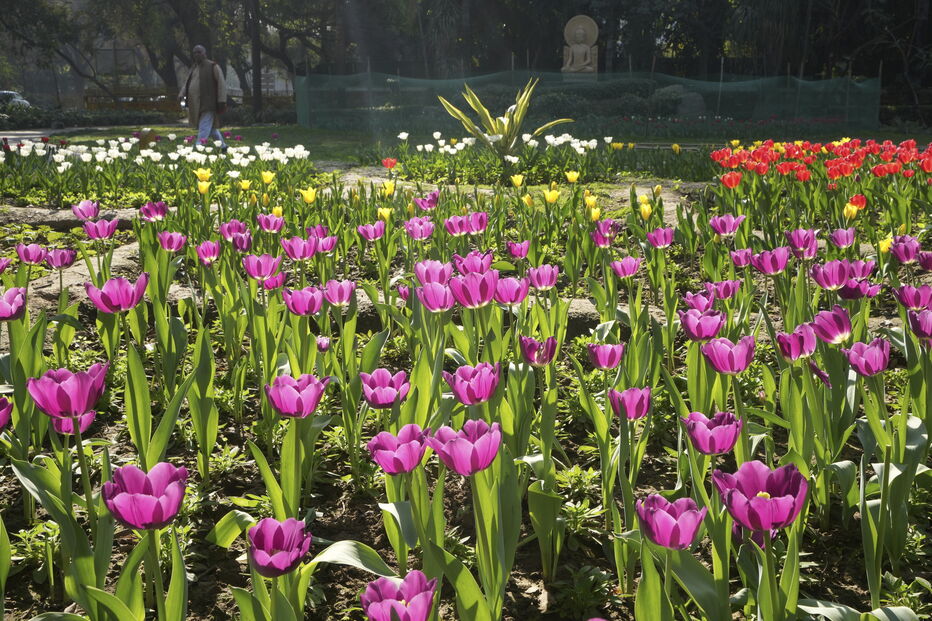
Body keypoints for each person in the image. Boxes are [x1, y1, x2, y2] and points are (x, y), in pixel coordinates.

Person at [180, 45, 228, 149]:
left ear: (204, 53)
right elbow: (188, 83)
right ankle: (223, 146)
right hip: (196, 103)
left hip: (209, 102)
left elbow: (221, 84)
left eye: (199, 52)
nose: (197, 54)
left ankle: (199, 147)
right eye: (195, 52)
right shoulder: (194, 68)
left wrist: (221, 100)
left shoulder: (212, 66)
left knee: (204, 126)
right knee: (211, 128)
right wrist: (181, 94)